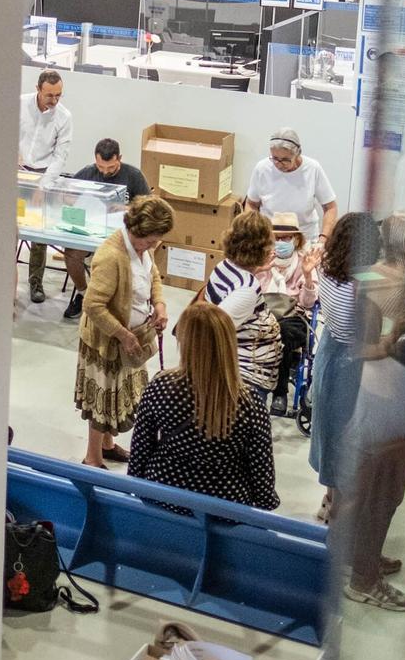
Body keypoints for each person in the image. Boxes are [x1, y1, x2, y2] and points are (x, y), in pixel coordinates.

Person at [337, 289, 405, 612]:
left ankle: (356, 560)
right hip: (386, 449)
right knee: (379, 508)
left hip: (362, 444)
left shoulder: (342, 365)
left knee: (363, 506)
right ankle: (363, 581)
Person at [127, 304, 277, 513]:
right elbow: (262, 475)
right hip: (224, 508)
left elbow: (140, 453)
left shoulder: (161, 387)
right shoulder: (249, 403)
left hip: (163, 498)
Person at [75, 195, 174, 468]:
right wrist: (123, 334)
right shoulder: (110, 256)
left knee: (119, 394)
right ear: (135, 230)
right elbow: (93, 305)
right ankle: (92, 457)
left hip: (131, 337)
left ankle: (107, 445)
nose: (154, 246)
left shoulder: (144, 248)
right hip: (106, 341)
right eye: (151, 240)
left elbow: (153, 275)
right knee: (102, 400)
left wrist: (160, 304)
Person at [306, 213, 382, 522]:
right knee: (347, 435)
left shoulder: (325, 269)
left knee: (328, 430)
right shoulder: (362, 287)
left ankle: (328, 499)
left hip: (328, 351)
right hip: (352, 363)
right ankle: (339, 511)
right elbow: (368, 337)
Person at [54, 138, 151, 320]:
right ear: (95, 160)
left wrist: (127, 208)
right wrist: (68, 199)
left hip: (121, 235)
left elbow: (149, 206)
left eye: (111, 168)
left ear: (119, 158)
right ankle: (84, 293)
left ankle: (118, 299)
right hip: (90, 230)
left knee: (119, 261)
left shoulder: (133, 175)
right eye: (101, 167)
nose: (105, 172)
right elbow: (65, 196)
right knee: (71, 254)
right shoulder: (87, 173)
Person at [198, 212, 283, 406]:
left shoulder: (225, 266)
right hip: (243, 379)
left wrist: (257, 269)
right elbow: (216, 331)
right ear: (259, 247)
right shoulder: (246, 289)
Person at [18, 70, 73, 303]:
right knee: (5, 227)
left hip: (42, 176)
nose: (54, 100)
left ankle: (35, 282)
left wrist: (43, 186)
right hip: (17, 172)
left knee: (38, 233)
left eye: (58, 95)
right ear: (38, 89)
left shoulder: (64, 117)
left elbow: (60, 156)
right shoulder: (19, 104)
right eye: (49, 95)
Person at [263, 211, 319, 417]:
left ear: (295, 239)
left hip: (295, 316)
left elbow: (308, 303)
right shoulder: (262, 260)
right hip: (265, 313)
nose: (281, 242)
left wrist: (307, 275)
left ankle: (280, 393)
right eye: (276, 238)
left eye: (285, 238)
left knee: (283, 333)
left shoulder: (305, 262)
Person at [244, 127, 339, 243]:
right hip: (269, 238)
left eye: (285, 160)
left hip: (305, 238)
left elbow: (330, 207)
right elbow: (251, 204)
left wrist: (323, 238)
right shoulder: (262, 169)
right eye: (275, 158)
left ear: (297, 154)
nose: (279, 164)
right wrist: (254, 231)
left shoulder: (312, 169)